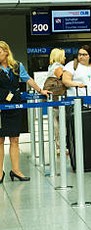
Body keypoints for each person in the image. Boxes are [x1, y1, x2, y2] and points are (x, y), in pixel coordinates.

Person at [0, 41, 50, 183]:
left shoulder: (16, 66)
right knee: (0, 140)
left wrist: (41, 90)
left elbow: (27, 79)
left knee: (15, 139)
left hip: (14, 105)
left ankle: (16, 170)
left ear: (6, 52)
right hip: (0, 107)